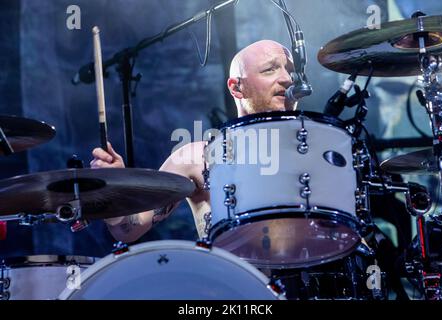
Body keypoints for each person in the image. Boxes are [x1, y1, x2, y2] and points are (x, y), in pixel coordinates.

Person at [90, 39, 296, 243]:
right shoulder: (195, 157)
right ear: (236, 88)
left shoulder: (321, 150)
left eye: (290, 70)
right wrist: (113, 188)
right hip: (232, 275)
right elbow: (129, 230)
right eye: (270, 70)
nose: (287, 79)